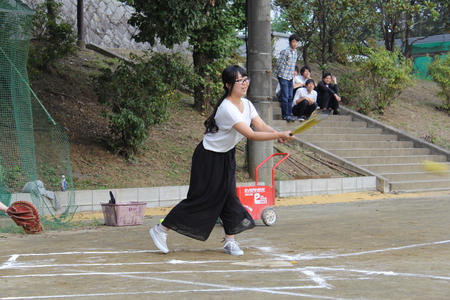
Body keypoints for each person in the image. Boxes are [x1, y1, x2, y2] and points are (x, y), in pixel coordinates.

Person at [149, 65, 294, 256]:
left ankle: (230, 241)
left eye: (246, 79)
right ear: (228, 85)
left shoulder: (247, 104)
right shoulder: (227, 108)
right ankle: (161, 229)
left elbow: (260, 124)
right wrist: (279, 134)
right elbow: (251, 134)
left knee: (229, 197)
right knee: (201, 198)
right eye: (240, 81)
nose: (245, 83)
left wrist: (277, 134)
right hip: (208, 157)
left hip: (226, 155)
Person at [273, 34, 300, 122]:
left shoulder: (295, 52)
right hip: (283, 76)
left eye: (296, 42)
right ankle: (285, 115)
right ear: (290, 42)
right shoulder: (285, 51)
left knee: (290, 97)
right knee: (285, 97)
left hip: (290, 77)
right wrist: (277, 74)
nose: (295, 44)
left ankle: (289, 113)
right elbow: (279, 64)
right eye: (293, 42)